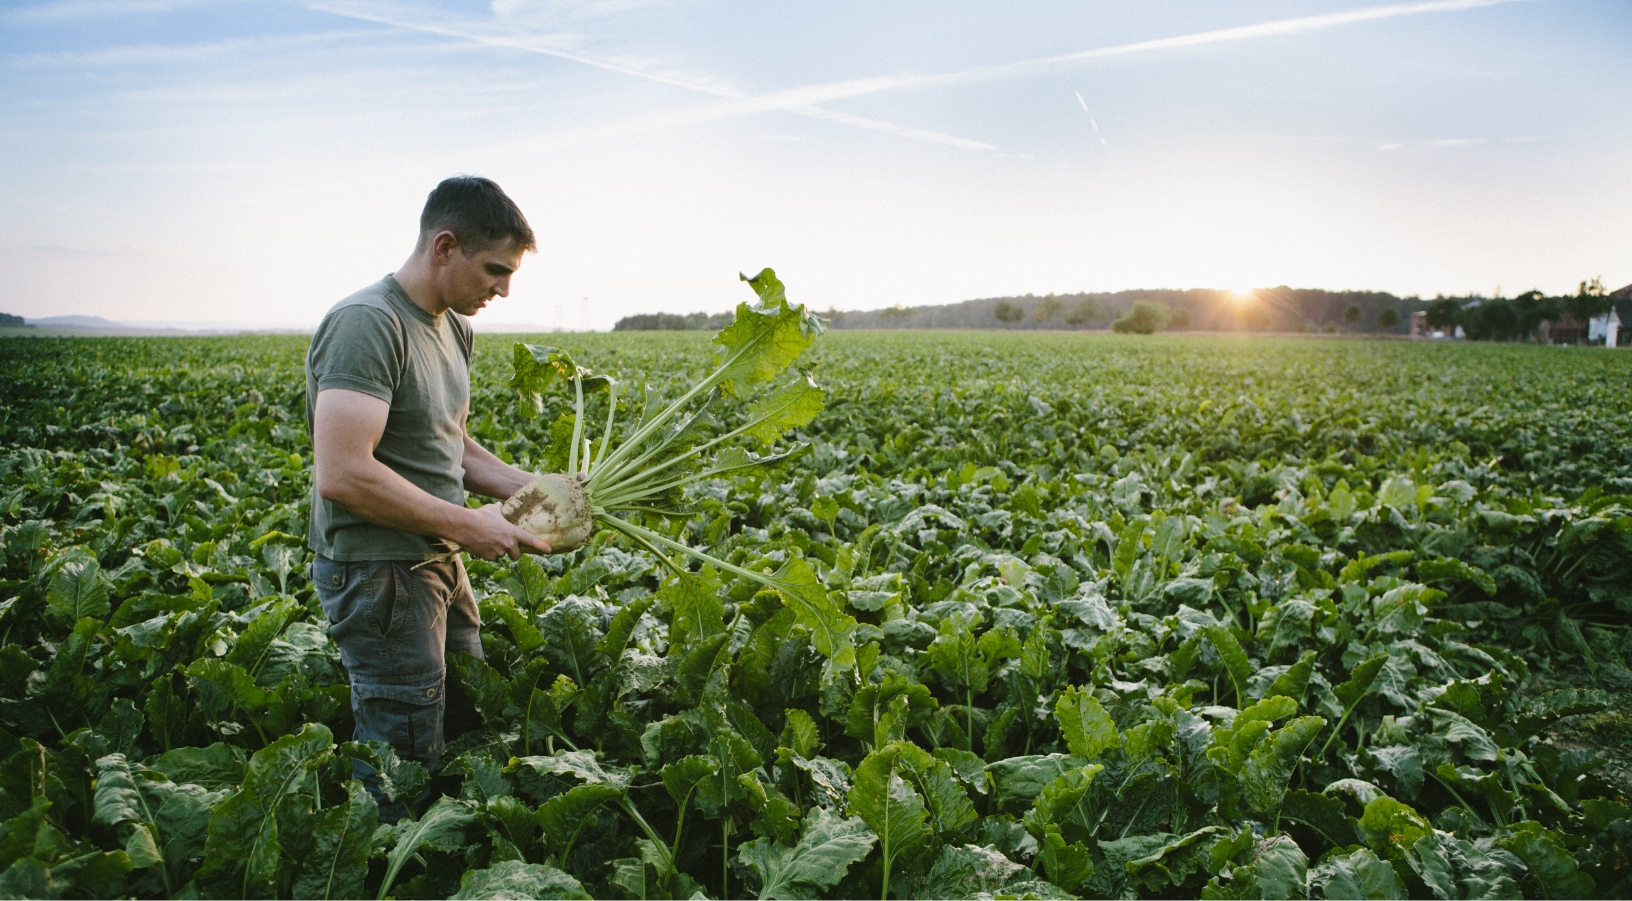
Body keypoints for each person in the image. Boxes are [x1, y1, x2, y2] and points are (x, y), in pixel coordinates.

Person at [305, 175, 553, 820]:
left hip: (436, 556)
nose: (503, 289)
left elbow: (456, 449)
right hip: (380, 570)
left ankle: (448, 856)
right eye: (495, 270)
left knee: (465, 712)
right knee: (402, 749)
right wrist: (469, 526)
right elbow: (343, 473)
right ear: (444, 246)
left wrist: (542, 493)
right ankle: (382, 860)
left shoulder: (452, 327)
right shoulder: (369, 323)